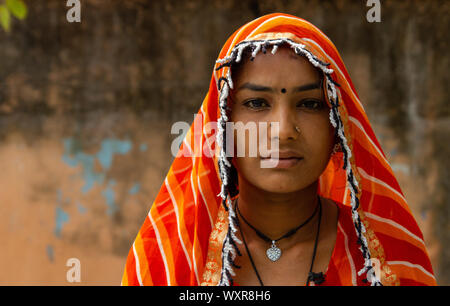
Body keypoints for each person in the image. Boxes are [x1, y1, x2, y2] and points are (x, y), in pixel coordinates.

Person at [121, 13, 436, 286]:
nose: (284, 131)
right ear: (223, 123)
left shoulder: (387, 259)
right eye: (257, 103)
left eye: (310, 104)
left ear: (338, 126)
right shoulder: (168, 256)